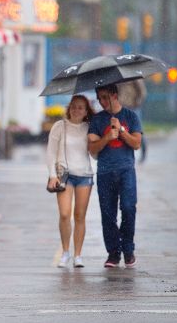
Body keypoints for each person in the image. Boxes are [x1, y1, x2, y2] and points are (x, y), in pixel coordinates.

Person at [88, 83, 143, 269]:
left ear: (114, 95)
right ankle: (113, 252)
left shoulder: (130, 116)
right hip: (105, 172)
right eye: (99, 99)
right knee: (108, 214)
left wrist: (121, 131)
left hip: (126, 170)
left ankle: (128, 249)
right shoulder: (97, 120)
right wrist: (106, 138)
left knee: (128, 208)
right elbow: (92, 149)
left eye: (105, 97)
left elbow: (137, 144)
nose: (102, 102)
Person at [46, 95, 95, 269]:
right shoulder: (60, 126)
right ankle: (65, 252)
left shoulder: (90, 128)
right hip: (64, 176)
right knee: (65, 214)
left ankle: (78, 255)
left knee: (80, 216)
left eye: (80, 107)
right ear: (69, 108)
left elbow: (95, 154)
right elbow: (51, 152)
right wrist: (52, 175)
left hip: (84, 175)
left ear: (86, 111)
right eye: (73, 106)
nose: (76, 110)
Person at [117, 79, 147, 162]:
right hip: (122, 108)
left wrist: (137, 102)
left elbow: (142, 92)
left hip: (134, 107)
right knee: (122, 131)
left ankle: (143, 152)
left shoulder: (134, 78)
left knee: (138, 131)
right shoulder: (119, 79)